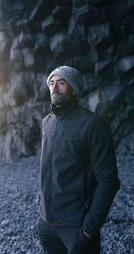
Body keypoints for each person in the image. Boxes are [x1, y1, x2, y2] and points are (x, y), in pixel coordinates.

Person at [38, 66, 120, 254]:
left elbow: (109, 180)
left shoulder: (93, 124)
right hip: (46, 225)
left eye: (62, 83)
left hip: (76, 226)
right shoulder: (46, 123)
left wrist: (89, 230)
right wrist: (41, 211)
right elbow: (46, 170)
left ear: (73, 89)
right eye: (51, 82)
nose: (55, 87)